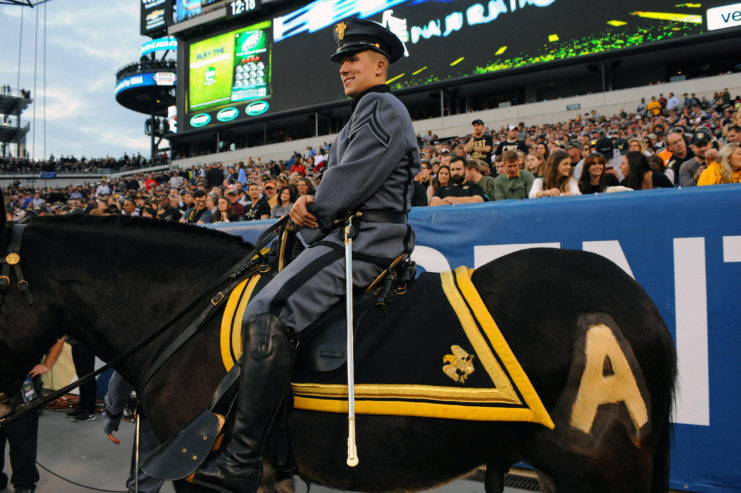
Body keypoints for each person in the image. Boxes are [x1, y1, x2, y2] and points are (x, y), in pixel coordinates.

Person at [188, 18, 420, 493]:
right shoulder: (366, 110)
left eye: (353, 59)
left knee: (266, 308)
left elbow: (341, 192)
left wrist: (308, 206)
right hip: (352, 235)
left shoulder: (381, 106)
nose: (344, 68)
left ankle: (244, 458)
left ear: (380, 65)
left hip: (364, 243)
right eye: (342, 62)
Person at [1, 338, 64, 493]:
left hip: (23, 383)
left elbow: (59, 338)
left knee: (23, 434)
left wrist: (47, 364)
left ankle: (23, 483)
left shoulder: (30, 315)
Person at [103, 371, 164, 493]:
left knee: (145, 484)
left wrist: (112, 418)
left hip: (158, 413)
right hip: (204, 417)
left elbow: (120, 382)